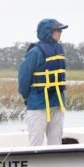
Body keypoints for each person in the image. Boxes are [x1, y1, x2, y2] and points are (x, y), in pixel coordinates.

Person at [18, 18, 68, 146]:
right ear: (47, 32)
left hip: (57, 102)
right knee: (36, 141)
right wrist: (26, 96)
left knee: (56, 140)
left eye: (60, 30)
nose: (60, 32)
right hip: (38, 103)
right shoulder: (35, 52)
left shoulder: (60, 49)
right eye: (57, 30)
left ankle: (56, 164)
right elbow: (24, 77)